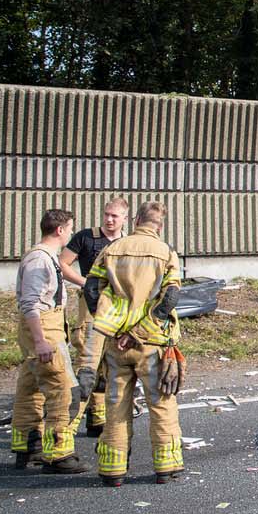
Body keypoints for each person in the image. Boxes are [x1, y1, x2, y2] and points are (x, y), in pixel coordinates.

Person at [78, 201, 185, 486]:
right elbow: (170, 299)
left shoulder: (112, 249)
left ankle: (113, 471)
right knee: (161, 403)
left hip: (116, 345)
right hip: (151, 344)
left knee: (115, 406)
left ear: (135, 219)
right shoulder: (166, 253)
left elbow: (91, 289)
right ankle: (166, 468)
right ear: (160, 226)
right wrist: (140, 330)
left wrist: (111, 326)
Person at [11, 209, 87, 474]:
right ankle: (59, 455)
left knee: (30, 389)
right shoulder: (40, 261)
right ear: (59, 230)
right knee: (63, 390)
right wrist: (41, 341)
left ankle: (27, 447)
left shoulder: (45, 257)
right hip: (44, 329)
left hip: (42, 328)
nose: (70, 233)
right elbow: (30, 304)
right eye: (69, 228)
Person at [60, 197, 129, 436]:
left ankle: (96, 418)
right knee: (87, 364)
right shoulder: (85, 237)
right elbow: (63, 263)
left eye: (115, 216)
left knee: (108, 363)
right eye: (107, 214)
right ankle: (66, 429)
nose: (109, 220)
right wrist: (85, 282)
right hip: (89, 305)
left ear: (124, 219)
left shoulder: (127, 242)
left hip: (116, 307)